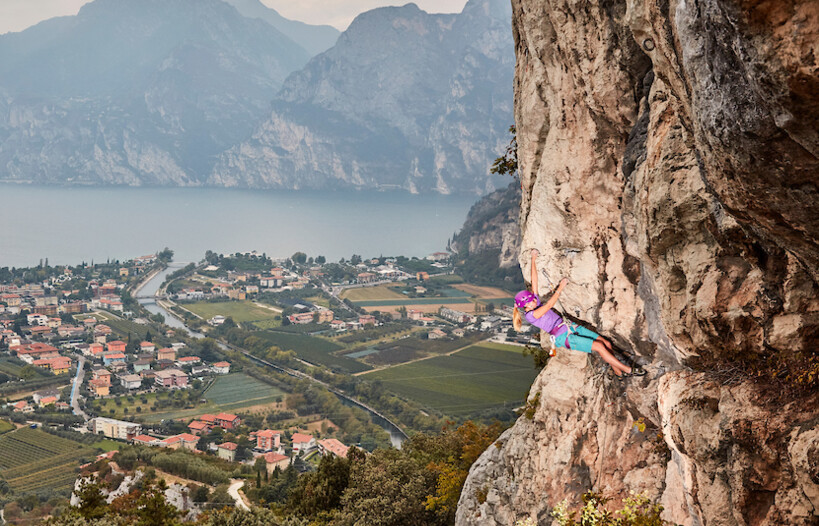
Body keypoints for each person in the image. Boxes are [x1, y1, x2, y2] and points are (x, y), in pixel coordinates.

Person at [513, 248, 645, 378]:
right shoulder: (530, 316)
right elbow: (549, 305)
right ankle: (629, 370)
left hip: (569, 326)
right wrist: (561, 287)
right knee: (599, 346)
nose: (535, 301)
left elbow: (534, 281)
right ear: (526, 305)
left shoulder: (534, 302)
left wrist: (533, 259)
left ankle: (618, 373)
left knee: (606, 344)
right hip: (563, 337)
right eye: (531, 301)